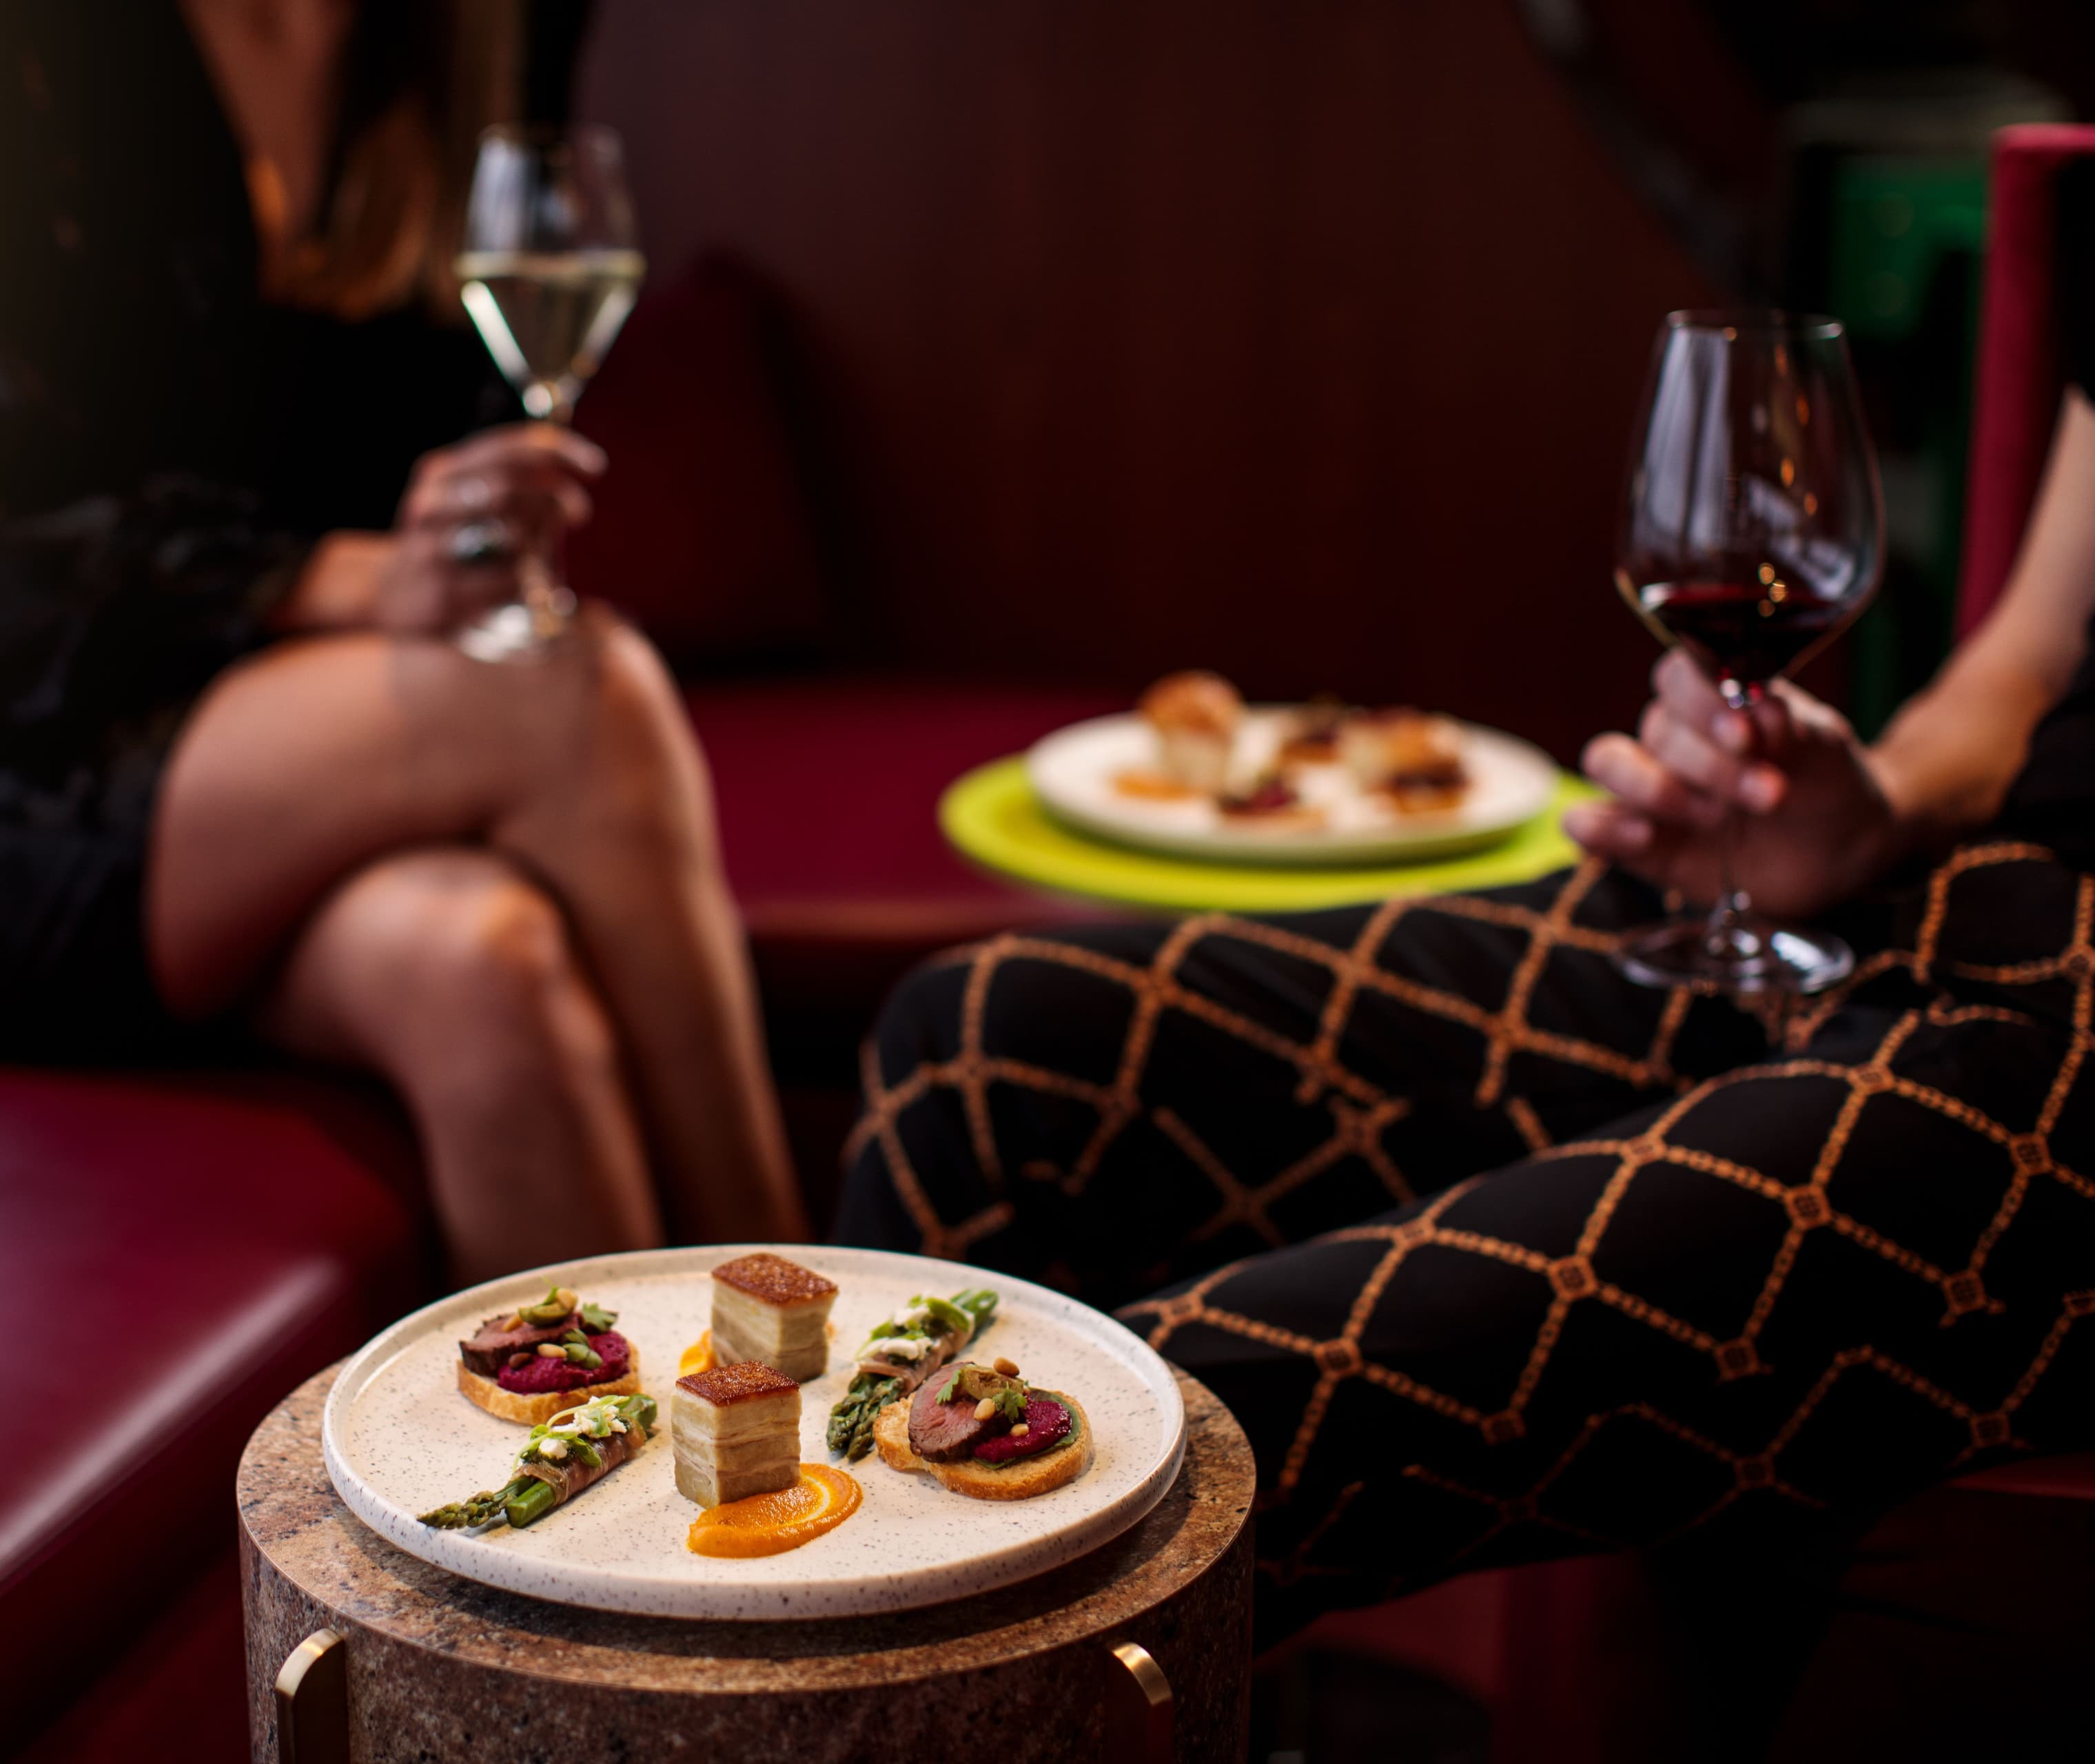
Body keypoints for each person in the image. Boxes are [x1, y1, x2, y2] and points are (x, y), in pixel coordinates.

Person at [840, 258, 2095, 1679]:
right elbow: (2022, 675)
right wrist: (1870, 807)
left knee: (1133, 1428)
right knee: (992, 1040)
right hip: (1945, 909)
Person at [0, 0, 805, 1278]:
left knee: (487, 972)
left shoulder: (478, 28)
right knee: (579, 692)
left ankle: (667, 1471)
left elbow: (465, 420)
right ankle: (819, 1352)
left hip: (294, 748)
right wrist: (357, 579)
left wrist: (464, 542)